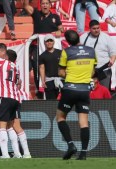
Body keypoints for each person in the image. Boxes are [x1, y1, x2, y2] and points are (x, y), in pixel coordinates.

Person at [56, 30, 97, 160]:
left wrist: (70, 74)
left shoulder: (66, 52)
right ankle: (83, 154)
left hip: (70, 89)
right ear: (79, 37)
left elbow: (61, 73)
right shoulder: (91, 51)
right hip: (85, 90)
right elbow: (92, 72)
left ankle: (71, 145)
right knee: (84, 122)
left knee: (61, 117)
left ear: (67, 41)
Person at [23, 0, 63, 99]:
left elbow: (61, 29)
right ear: (40, 5)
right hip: (37, 46)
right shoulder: (36, 13)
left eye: (47, 4)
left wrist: (59, 31)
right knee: (37, 68)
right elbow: (25, 5)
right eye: (43, 4)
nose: (45, 5)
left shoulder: (55, 17)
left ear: (50, 5)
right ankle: (39, 90)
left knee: (54, 68)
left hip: (52, 48)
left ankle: (57, 89)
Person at [80, 20, 116, 90]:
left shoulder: (106, 37)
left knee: (104, 91)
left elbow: (113, 52)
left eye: (98, 28)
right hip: (88, 70)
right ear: (89, 29)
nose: (96, 30)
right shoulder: (83, 37)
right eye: (94, 28)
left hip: (104, 69)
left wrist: (112, 60)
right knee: (89, 93)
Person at [39, 34, 62, 99]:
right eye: (47, 41)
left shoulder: (61, 52)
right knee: (50, 102)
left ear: (54, 42)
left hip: (61, 80)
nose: (49, 42)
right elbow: (42, 68)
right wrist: (43, 81)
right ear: (44, 43)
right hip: (49, 81)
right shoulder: (42, 56)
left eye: (51, 40)